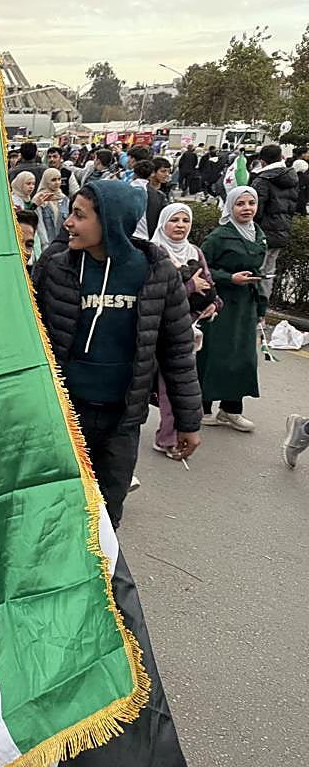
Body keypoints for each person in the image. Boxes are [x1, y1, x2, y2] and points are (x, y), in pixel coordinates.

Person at [32, 180, 201, 528]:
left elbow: (178, 351)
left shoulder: (157, 273)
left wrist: (189, 421)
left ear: (110, 221)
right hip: (61, 418)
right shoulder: (55, 267)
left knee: (105, 518)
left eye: (79, 216)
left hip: (121, 423)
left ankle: (99, 580)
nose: (68, 223)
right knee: (52, 513)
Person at [148, 204, 220, 458]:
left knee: (174, 387)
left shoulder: (194, 251)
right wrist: (189, 285)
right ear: (162, 223)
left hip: (186, 329)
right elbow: (154, 290)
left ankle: (168, 437)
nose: (180, 225)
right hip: (158, 328)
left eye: (185, 220)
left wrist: (213, 304)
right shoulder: (155, 251)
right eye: (174, 220)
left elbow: (209, 283)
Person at [197, 186, 266, 432]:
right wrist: (229, 278)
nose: (247, 208)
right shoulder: (218, 236)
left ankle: (231, 409)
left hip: (246, 305)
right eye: (240, 204)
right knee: (213, 355)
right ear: (230, 207)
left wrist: (261, 306)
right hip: (220, 303)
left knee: (242, 357)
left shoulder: (258, 234)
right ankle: (202, 407)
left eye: (251, 203)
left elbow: (259, 271)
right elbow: (201, 268)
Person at [249, 144, 299, 299]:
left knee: (254, 272)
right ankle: (262, 310)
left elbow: (254, 211)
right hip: (281, 231)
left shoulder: (263, 180)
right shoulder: (291, 178)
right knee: (268, 272)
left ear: (262, 162)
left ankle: (253, 309)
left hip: (261, 233)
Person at [32, 167, 69, 249]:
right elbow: (39, 225)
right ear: (46, 181)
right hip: (46, 244)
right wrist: (45, 245)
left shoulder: (64, 199)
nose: (57, 182)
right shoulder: (39, 199)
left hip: (63, 244)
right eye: (53, 180)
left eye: (59, 179)